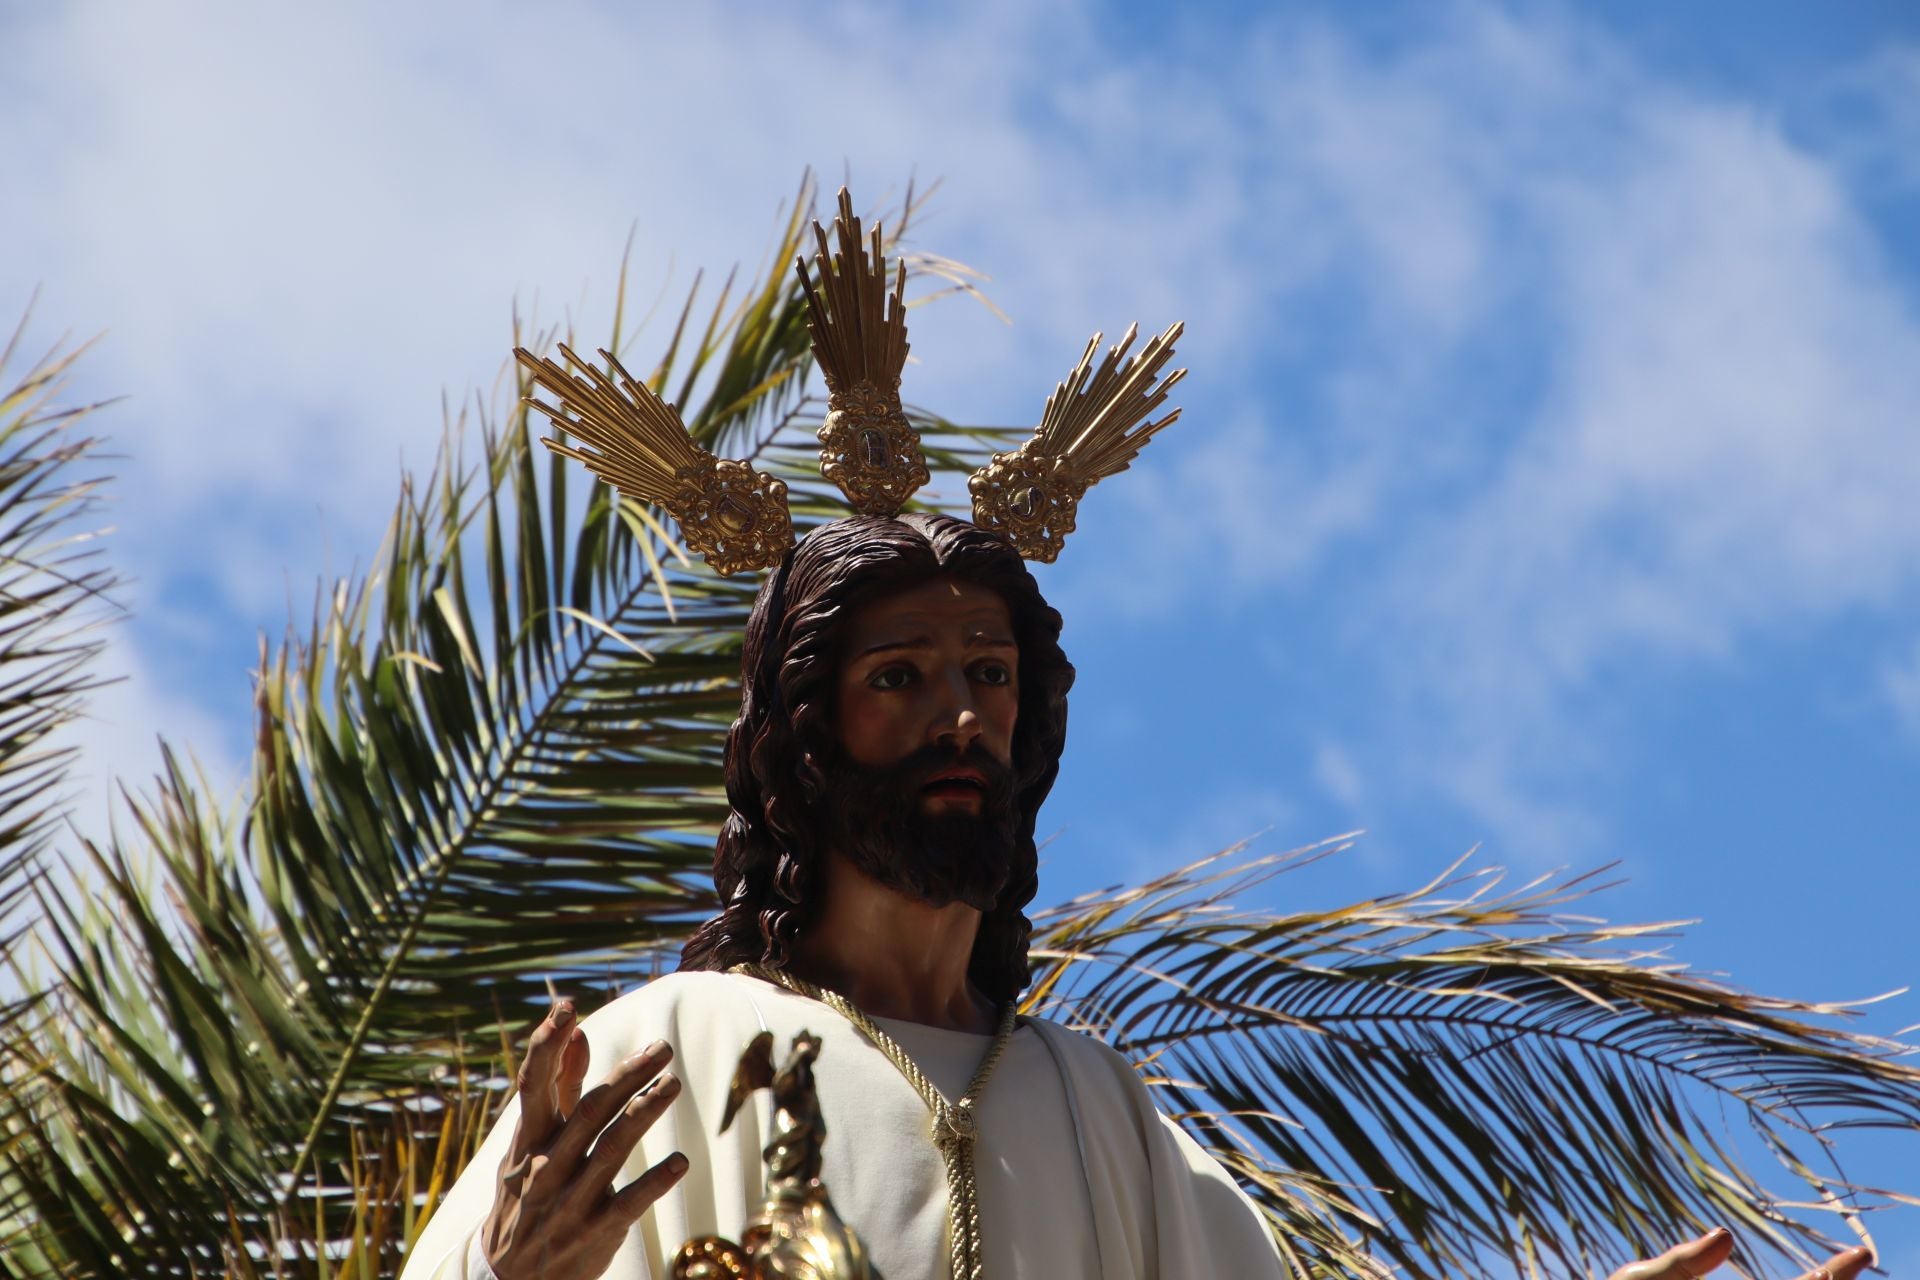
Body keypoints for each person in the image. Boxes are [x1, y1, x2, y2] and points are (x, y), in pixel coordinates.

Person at [400, 192, 1881, 1280]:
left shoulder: (1094, 1104)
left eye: (989, 674)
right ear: (804, 742)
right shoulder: (666, 1051)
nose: (962, 712)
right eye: (901, 679)